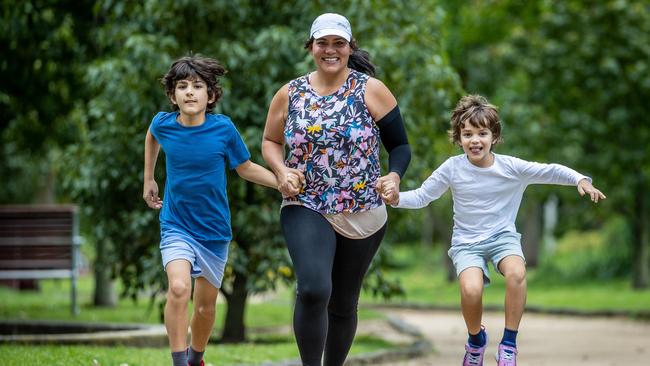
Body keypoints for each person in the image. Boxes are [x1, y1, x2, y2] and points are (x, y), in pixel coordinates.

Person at [379, 94, 606, 366]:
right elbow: (422, 196)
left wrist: (580, 179)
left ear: (494, 137)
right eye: (468, 134)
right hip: (466, 243)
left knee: (517, 273)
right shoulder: (452, 168)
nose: (475, 140)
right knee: (471, 290)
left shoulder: (511, 167)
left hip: (502, 238)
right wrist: (395, 198)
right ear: (459, 138)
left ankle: (508, 344)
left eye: (482, 133)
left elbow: (550, 171)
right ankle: (475, 342)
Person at [261, 13, 411, 366]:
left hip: (363, 209)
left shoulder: (371, 89)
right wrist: (281, 170)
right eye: (322, 43)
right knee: (314, 290)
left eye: (338, 43)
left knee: (343, 303)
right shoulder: (290, 93)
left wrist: (394, 177)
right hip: (306, 202)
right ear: (311, 47)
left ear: (349, 47)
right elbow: (270, 141)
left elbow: (400, 146)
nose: (330, 50)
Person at [142, 55, 302, 366]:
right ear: (172, 95)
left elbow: (246, 168)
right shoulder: (163, 123)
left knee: (204, 308)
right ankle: (178, 362)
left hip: (214, 232)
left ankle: (196, 358)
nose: (190, 92)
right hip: (176, 225)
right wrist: (149, 178)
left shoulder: (223, 129)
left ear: (211, 96)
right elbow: (152, 137)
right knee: (178, 287)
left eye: (198, 86)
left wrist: (282, 180)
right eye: (182, 86)